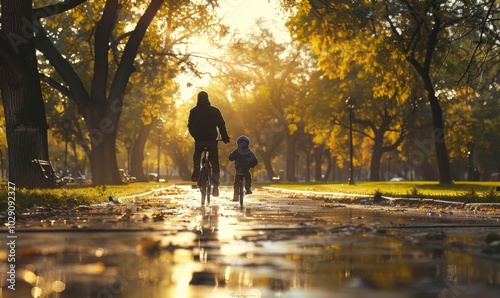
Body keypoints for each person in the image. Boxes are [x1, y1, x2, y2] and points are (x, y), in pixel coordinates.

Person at [188, 91, 230, 197]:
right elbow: (221, 125)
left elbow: (190, 126)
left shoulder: (193, 111)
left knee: (197, 151)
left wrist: (194, 135)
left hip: (199, 140)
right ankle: (215, 187)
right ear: (207, 98)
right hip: (211, 140)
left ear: (198, 99)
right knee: (215, 163)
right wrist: (225, 137)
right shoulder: (214, 111)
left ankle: (197, 167)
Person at [228, 135, 258, 201]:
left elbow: (230, 157)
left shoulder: (237, 151)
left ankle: (235, 197)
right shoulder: (250, 152)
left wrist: (232, 157)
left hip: (238, 170)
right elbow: (255, 161)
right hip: (246, 169)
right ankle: (248, 188)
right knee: (248, 177)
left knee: (236, 183)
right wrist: (251, 166)